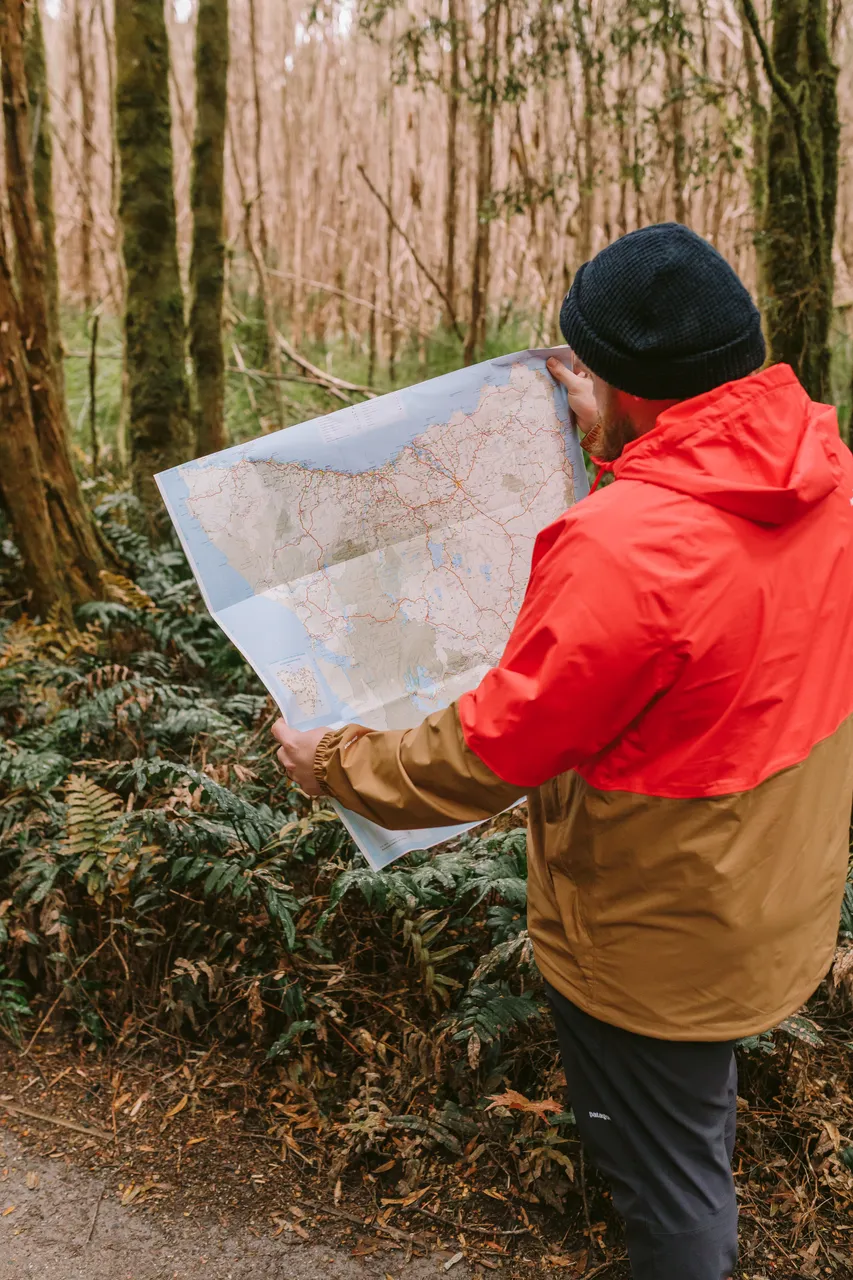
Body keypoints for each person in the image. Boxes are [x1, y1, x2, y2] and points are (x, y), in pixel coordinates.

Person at [271, 223, 853, 1280]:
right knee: (683, 1126)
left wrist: (335, 761)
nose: (565, 381)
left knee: (669, 1198)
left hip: (651, 932)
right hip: (762, 891)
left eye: (582, 367)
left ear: (632, 389)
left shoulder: (626, 544)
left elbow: (489, 753)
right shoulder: (819, 467)